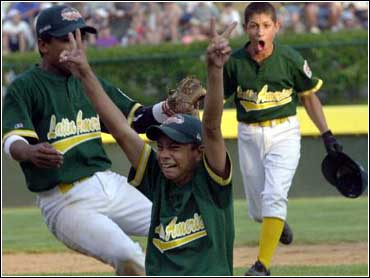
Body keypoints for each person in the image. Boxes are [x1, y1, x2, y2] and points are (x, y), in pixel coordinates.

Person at [2, 5, 202, 276]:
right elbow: (12, 139)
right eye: (66, 37)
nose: (76, 44)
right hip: (65, 200)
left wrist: (168, 108)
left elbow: (136, 118)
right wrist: (29, 151)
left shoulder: (90, 81)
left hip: (107, 183)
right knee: (127, 255)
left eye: (80, 36)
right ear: (42, 45)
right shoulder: (26, 87)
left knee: (183, 227)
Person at [58, 19, 237, 275]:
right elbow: (120, 128)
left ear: (199, 152)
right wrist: (85, 73)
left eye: (174, 147)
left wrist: (214, 69)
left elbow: (211, 126)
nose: (164, 155)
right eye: (160, 146)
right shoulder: (158, 177)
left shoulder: (211, 183)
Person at [223, 3, 343, 276]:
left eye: (266, 25)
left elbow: (309, 97)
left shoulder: (289, 59)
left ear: (276, 27)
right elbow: (217, 101)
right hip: (249, 135)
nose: (260, 31)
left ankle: (262, 266)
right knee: (258, 211)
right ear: (246, 29)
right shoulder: (234, 62)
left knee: (274, 196)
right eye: (254, 25)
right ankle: (277, 222)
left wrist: (327, 135)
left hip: (284, 133)